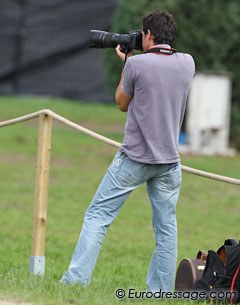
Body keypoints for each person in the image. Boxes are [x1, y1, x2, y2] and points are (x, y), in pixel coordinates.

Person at [60, 9, 195, 292]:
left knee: (97, 217)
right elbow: (163, 73)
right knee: (166, 230)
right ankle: (160, 291)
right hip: (170, 161)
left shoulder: (136, 66)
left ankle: (74, 283)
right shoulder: (188, 63)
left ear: (148, 34)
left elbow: (122, 102)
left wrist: (126, 64)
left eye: (142, 33)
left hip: (134, 158)